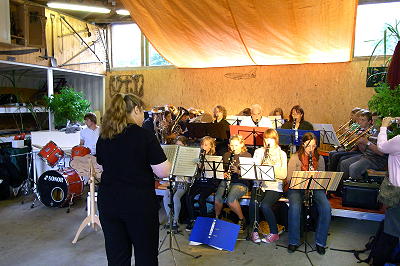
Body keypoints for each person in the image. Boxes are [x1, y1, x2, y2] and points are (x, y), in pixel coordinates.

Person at [96, 93, 170, 266]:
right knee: (146, 256)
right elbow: (162, 171)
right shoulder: (144, 135)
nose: (143, 115)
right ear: (136, 110)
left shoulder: (104, 136)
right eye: (142, 111)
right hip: (138, 204)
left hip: (109, 202)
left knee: (117, 257)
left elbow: (101, 165)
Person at [287, 132, 330, 255]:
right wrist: (303, 177)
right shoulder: (295, 157)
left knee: (326, 208)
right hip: (296, 187)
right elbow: (289, 179)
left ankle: (320, 242)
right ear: (302, 144)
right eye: (308, 146)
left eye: (313, 146)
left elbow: (322, 178)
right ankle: (293, 241)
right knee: (295, 207)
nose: (311, 149)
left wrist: (314, 175)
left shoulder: (320, 158)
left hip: (315, 187)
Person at [249, 129, 287, 243]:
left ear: (276, 140)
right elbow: (252, 171)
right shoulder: (258, 152)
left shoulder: (282, 154)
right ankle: (254, 231)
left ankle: (274, 233)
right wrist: (260, 166)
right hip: (259, 184)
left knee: (265, 205)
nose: (267, 142)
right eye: (265, 139)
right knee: (253, 203)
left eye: (270, 140)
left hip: (275, 186)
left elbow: (283, 174)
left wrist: (271, 168)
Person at [214, 135, 252, 232]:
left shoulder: (247, 155)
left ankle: (241, 219)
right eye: (231, 145)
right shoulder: (226, 155)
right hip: (227, 180)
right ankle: (217, 218)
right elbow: (221, 169)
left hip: (241, 181)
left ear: (241, 144)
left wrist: (238, 171)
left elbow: (249, 174)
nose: (233, 147)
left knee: (230, 200)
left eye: (236, 145)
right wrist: (224, 173)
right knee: (218, 197)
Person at [186, 136, 220, 231]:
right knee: (189, 196)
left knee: (201, 198)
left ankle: (204, 221)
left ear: (211, 147)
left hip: (210, 183)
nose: (203, 146)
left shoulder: (214, 157)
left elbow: (216, 173)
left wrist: (203, 165)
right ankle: (192, 219)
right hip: (199, 182)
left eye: (206, 145)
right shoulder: (198, 155)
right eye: (202, 144)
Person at [377, 117, 400, 240]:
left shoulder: (398, 140)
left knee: (393, 225)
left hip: (397, 189)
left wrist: (383, 126)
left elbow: (382, 147)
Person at [162, 136, 190, 232]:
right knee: (166, 195)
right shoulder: (173, 155)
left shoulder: (188, 156)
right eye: (177, 145)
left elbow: (189, 173)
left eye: (180, 145)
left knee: (176, 197)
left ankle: (176, 221)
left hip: (184, 181)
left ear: (185, 146)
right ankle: (169, 218)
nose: (178, 147)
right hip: (173, 181)